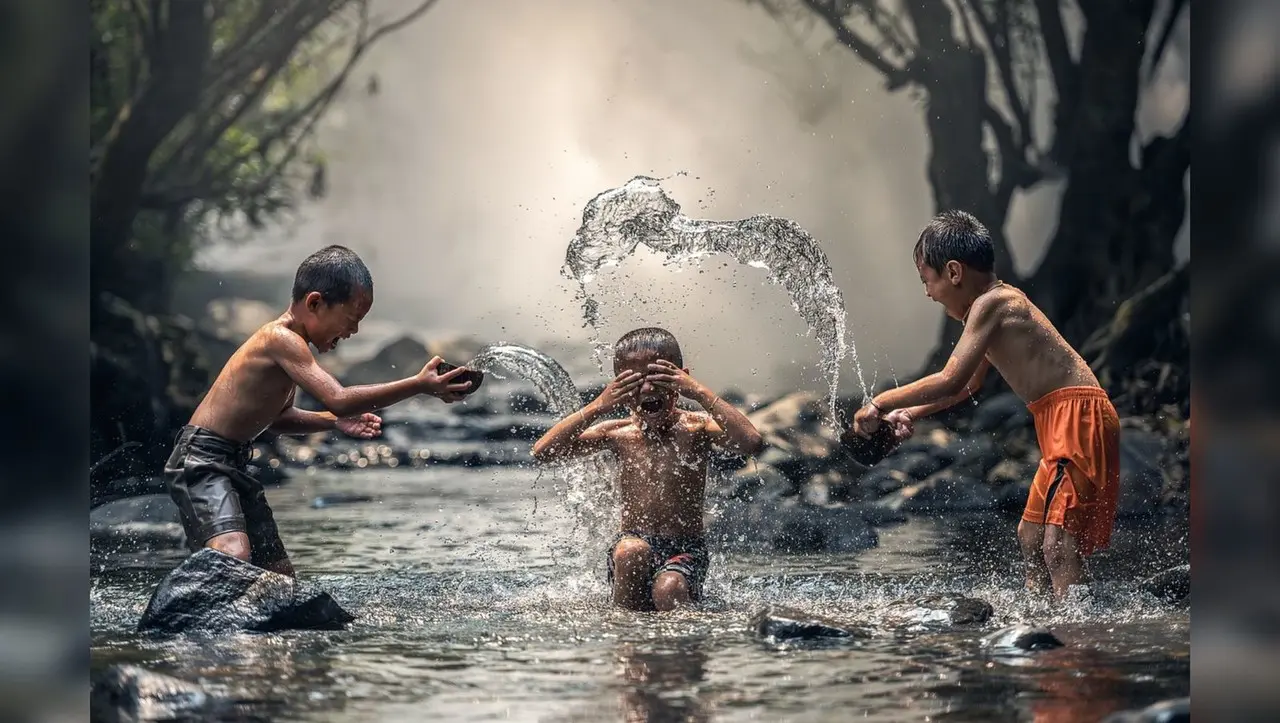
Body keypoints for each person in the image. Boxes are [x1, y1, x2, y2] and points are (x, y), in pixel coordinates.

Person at [851, 211, 1120, 601]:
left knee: (1057, 543)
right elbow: (966, 388)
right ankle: (1040, 622)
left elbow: (950, 378)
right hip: (1060, 419)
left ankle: (1076, 637)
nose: (928, 292)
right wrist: (910, 413)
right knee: (1031, 537)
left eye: (928, 279)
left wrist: (878, 402)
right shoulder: (988, 310)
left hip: (1077, 417)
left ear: (954, 272)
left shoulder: (994, 303)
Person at [164, 245, 475, 577]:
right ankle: (182, 613)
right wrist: (418, 384)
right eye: (351, 319)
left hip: (233, 463)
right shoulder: (279, 339)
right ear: (315, 303)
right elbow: (338, 397)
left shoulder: (292, 351)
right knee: (233, 552)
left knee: (279, 576)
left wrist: (333, 422)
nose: (353, 332)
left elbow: (280, 419)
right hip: (202, 460)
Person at [532, 328, 764, 611]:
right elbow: (543, 452)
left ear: (682, 378)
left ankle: (678, 648)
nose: (647, 389)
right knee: (632, 551)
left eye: (658, 377)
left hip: (685, 549)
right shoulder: (617, 432)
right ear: (617, 387)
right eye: (633, 382)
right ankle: (625, 637)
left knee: (669, 589)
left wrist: (700, 392)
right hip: (630, 545)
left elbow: (751, 443)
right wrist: (598, 406)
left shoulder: (697, 428)